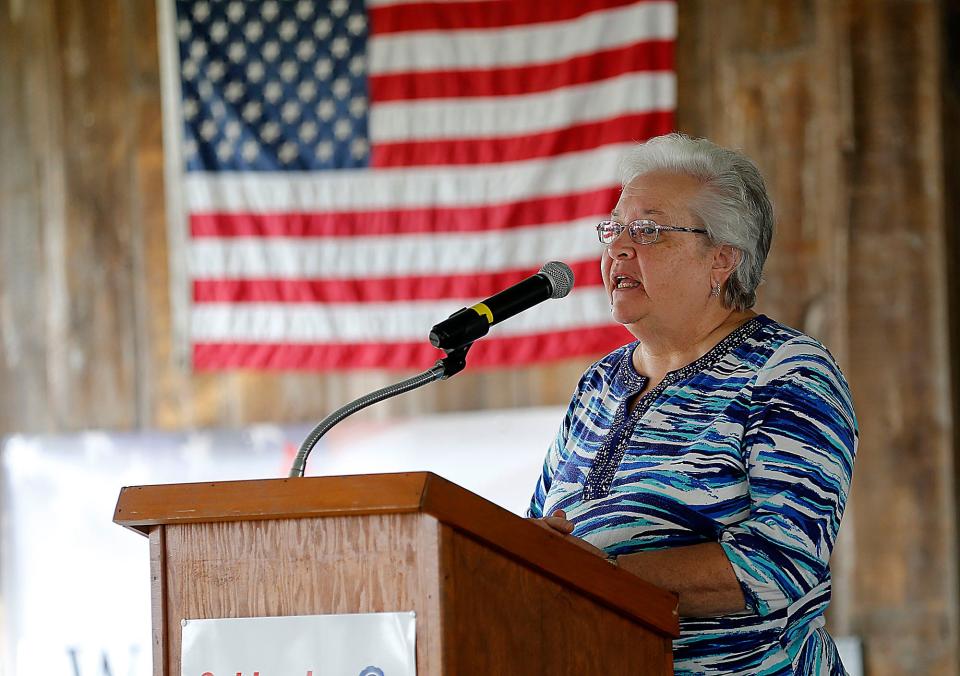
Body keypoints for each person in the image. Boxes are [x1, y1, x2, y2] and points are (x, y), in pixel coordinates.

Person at [528, 133, 858, 675]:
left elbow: (781, 565)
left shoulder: (787, 372)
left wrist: (603, 573)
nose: (618, 249)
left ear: (722, 260)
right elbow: (542, 533)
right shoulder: (599, 384)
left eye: (650, 231)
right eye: (614, 230)